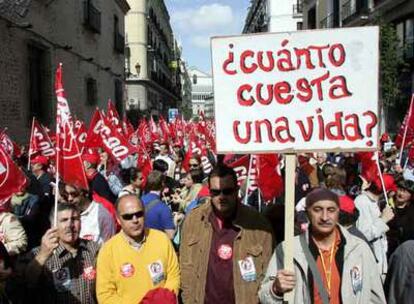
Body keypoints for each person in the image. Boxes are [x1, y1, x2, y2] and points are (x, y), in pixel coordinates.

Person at [259, 188, 385, 304]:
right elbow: (264, 297)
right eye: (317, 210)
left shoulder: (359, 249)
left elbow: (376, 298)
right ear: (307, 213)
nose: (325, 217)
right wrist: (275, 290)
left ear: (338, 213)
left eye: (331, 210)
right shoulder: (289, 249)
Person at [179, 165, 273, 304]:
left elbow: (268, 275)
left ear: (236, 190)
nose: (221, 197)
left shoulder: (258, 224)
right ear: (209, 192)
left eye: (227, 191)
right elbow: (185, 267)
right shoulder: (194, 220)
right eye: (216, 192)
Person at [96, 194, 180, 303]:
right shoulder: (108, 251)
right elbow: (105, 295)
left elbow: (173, 276)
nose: (135, 220)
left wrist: (163, 299)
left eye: (139, 214)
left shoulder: (161, 239)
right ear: (118, 219)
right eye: (128, 216)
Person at [22, 203, 100, 303]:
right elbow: (26, 284)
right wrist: (43, 255)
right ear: (53, 225)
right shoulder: (38, 253)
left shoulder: (94, 249)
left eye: (75, 219)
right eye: (64, 220)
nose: (70, 225)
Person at [354, 174, 394, 279]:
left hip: (378, 264)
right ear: (388, 192)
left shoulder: (374, 203)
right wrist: (383, 220)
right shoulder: (362, 202)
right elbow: (363, 235)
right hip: (369, 267)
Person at [141, 171, 176, 239]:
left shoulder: (138, 201)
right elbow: (170, 236)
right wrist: (175, 220)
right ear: (163, 184)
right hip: (156, 246)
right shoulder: (163, 208)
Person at [386, 179, 414, 257]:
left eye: (405, 192)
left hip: (404, 250)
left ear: (411, 195)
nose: (401, 194)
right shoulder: (386, 204)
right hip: (387, 247)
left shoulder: (411, 210)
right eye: (400, 190)